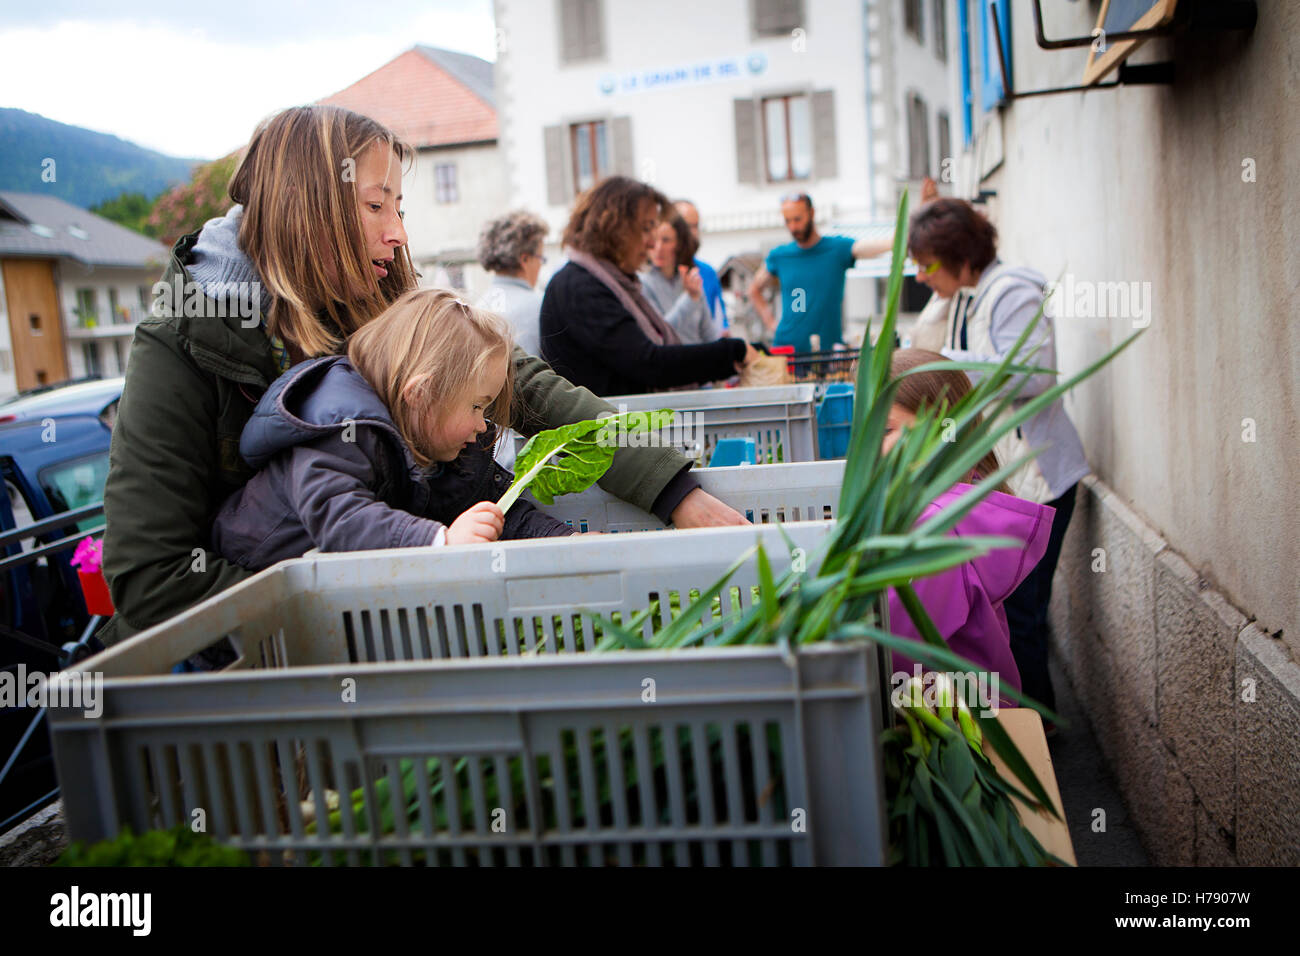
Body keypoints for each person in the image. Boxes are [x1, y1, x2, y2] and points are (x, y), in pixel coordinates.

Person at [99, 107, 747, 647]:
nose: (398, 236)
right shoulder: (181, 342)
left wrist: (671, 490)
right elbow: (150, 576)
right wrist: (360, 622)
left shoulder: (379, 302)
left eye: (399, 207)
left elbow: (527, 391)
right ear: (308, 208)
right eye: (377, 207)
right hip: (247, 690)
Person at [211, 289, 574, 571]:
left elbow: (496, 513)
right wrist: (440, 540)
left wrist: (569, 542)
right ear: (420, 393)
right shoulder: (345, 430)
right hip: (255, 610)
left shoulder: (440, 445)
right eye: (476, 406)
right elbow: (342, 519)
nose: (482, 424)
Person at [907, 198, 1089, 717]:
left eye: (927, 263)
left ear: (957, 252)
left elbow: (1033, 374)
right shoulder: (968, 294)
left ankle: (1037, 727)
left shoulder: (1012, 292)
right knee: (1013, 603)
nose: (921, 276)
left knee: (1026, 607)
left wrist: (949, 365)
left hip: (1039, 474)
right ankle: (1030, 721)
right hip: (1008, 474)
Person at [882, 350, 1056, 707]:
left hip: (961, 724)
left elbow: (893, 647)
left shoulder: (938, 530)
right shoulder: (956, 495)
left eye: (883, 429)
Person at [539, 176, 758, 396]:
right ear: (614, 228)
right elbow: (648, 363)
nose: (653, 243)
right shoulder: (581, 287)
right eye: (646, 228)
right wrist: (733, 352)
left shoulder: (611, 283)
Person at [747, 192, 894, 352]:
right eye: (787, 221)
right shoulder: (780, 256)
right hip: (788, 349)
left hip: (828, 350)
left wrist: (897, 241)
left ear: (812, 213)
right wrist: (771, 324)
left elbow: (867, 248)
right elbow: (754, 290)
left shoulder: (836, 249)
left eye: (797, 219)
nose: (793, 227)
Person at [640, 210, 722, 345]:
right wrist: (689, 299)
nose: (658, 247)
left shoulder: (690, 279)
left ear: (679, 244)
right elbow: (660, 333)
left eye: (666, 240)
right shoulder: (642, 283)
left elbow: (710, 335)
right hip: (671, 362)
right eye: (654, 240)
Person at [476, 210, 549, 357]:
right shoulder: (542, 305)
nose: (541, 265)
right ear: (525, 260)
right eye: (541, 258)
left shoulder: (476, 308)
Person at [673, 199, 727, 332]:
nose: (692, 233)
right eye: (686, 226)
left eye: (695, 226)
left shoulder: (708, 273)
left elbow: (720, 320)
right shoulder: (658, 276)